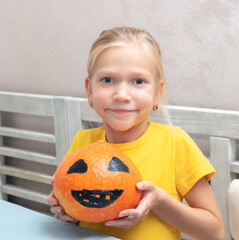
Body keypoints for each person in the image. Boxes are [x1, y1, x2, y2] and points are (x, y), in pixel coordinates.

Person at [47, 26, 225, 240]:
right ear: (89, 90)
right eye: (107, 80)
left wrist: (160, 202)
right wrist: (66, 209)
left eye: (138, 81)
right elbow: (82, 216)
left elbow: (215, 233)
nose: (121, 94)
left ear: (157, 93)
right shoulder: (82, 142)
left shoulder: (175, 143)